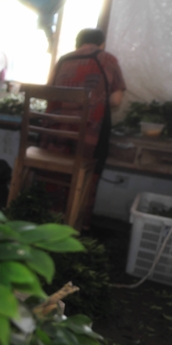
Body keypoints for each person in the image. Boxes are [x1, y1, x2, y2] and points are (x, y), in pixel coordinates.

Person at [42, 27, 127, 226]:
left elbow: (48, 92)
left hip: (55, 138)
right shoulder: (108, 59)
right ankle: (77, 223)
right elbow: (116, 100)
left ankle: (48, 217)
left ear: (78, 43)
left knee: (56, 170)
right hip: (88, 139)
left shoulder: (63, 60)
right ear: (102, 44)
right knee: (89, 169)